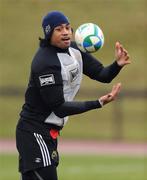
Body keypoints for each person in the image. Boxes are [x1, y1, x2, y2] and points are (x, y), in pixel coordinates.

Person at [16, 11, 130, 180]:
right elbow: (59, 107)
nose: (66, 32)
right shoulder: (45, 62)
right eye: (59, 29)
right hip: (34, 132)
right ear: (48, 33)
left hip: (49, 132)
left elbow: (102, 74)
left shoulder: (75, 50)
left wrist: (117, 64)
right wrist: (97, 103)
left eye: (68, 27)